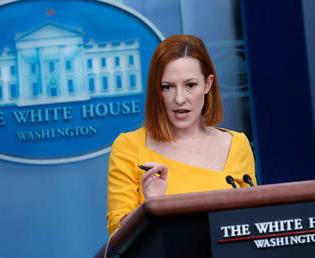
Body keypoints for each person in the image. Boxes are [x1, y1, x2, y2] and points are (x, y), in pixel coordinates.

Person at [106, 35, 256, 235]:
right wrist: (151, 206)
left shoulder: (237, 145)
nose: (179, 98)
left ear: (208, 84)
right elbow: (118, 236)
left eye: (190, 85)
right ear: (156, 91)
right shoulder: (129, 146)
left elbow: (253, 226)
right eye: (167, 87)